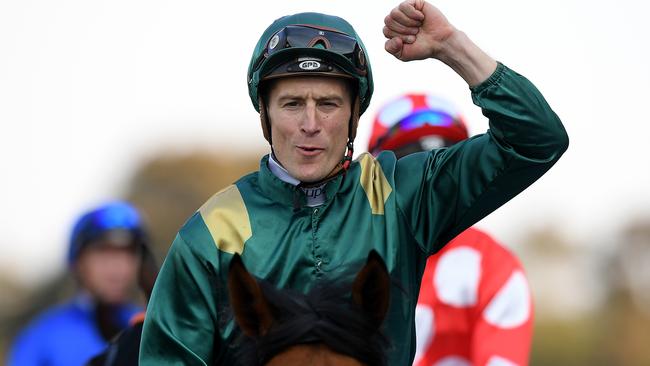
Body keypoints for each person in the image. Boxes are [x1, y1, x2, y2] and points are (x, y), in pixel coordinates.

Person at [140, 1, 568, 364]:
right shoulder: (209, 234)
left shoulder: (402, 194)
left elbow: (537, 140)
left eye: (328, 104)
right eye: (291, 104)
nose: (310, 125)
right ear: (264, 117)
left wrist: (450, 47)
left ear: (354, 116)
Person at [369, 93, 533, 366]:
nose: (426, 189)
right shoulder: (343, 249)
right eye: (410, 168)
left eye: (443, 171)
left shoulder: (492, 266)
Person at [7, 201, 153, 366]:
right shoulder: (42, 338)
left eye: (127, 255)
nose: (116, 269)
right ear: (79, 263)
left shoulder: (151, 329)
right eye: (103, 254)